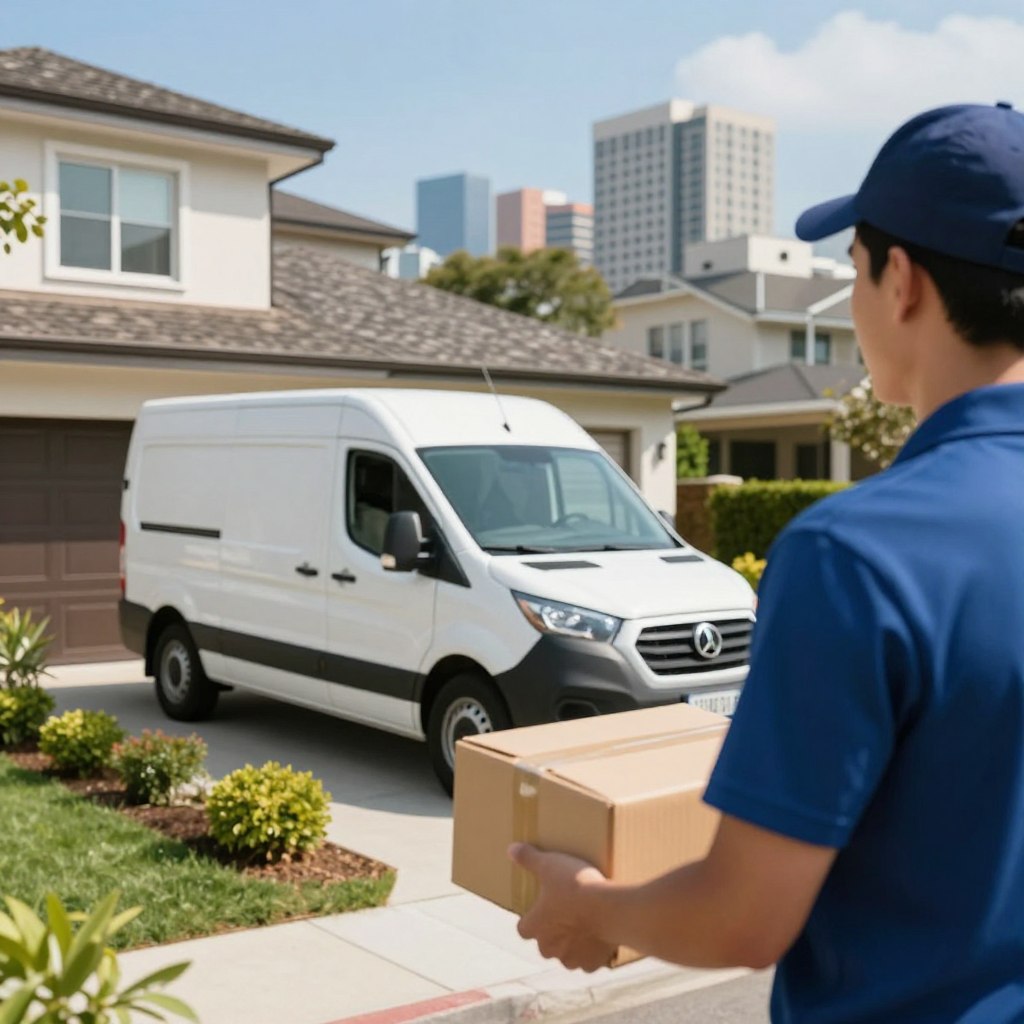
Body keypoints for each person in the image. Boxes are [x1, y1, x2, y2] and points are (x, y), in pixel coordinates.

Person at [510, 102, 1024, 1023]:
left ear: (899, 281)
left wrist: (590, 909)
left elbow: (744, 918)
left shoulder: (860, 556)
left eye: (854, 269)